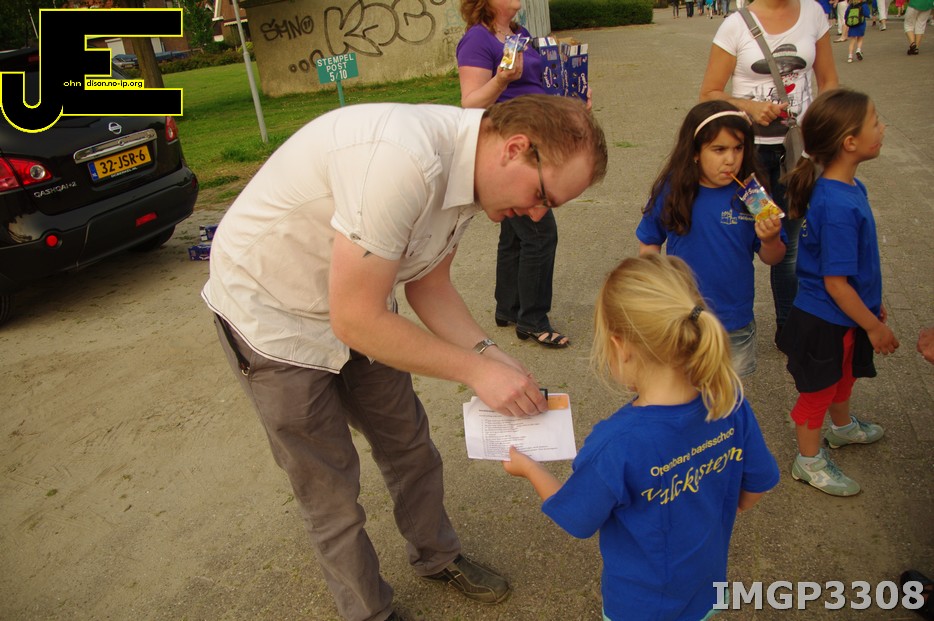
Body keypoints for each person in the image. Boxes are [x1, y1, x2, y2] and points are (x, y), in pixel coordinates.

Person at [201, 94, 608, 621]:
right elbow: (356, 320)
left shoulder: (474, 179)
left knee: (410, 448)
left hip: (359, 301)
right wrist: (474, 371)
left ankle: (437, 556)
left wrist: (488, 354)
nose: (535, 215)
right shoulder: (403, 161)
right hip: (273, 316)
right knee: (329, 488)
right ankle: (370, 612)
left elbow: (428, 286)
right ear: (514, 148)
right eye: (541, 196)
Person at [502, 253, 780, 621]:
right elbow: (755, 488)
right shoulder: (730, 402)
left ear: (621, 346)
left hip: (638, 607)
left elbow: (578, 518)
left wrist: (529, 468)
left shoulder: (616, 443)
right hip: (705, 591)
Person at [777, 88, 898, 497]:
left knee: (844, 377)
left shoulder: (850, 188)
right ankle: (808, 461)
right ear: (849, 142)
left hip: (844, 316)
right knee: (818, 391)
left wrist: (870, 307)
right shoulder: (837, 207)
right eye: (875, 122)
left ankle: (842, 427)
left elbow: (855, 268)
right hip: (824, 321)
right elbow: (835, 283)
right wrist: (874, 328)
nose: (883, 127)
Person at [699, 0, 839, 344]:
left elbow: (829, 83)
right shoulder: (735, 25)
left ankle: (788, 330)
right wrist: (749, 106)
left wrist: (821, 137)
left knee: (789, 243)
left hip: (798, 154)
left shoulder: (813, 13)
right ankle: (725, 323)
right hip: (749, 156)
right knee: (742, 234)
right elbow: (708, 94)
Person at [456, 0, 591, 349]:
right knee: (540, 234)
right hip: (510, 151)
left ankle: (508, 307)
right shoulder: (478, 39)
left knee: (515, 235)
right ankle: (532, 319)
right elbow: (470, 103)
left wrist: (569, 100)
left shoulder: (520, 33)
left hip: (535, 140)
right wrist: (502, 79)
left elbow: (535, 84)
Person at [636, 101, 786, 378]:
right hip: (683, 317)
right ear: (695, 152)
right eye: (719, 149)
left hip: (734, 322)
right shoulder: (674, 188)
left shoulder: (753, 195)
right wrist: (654, 287)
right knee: (684, 388)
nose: (730, 159)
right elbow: (649, 240)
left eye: (738, 148)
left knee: (729, 394)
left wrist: (771, 239)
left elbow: (773, 257)